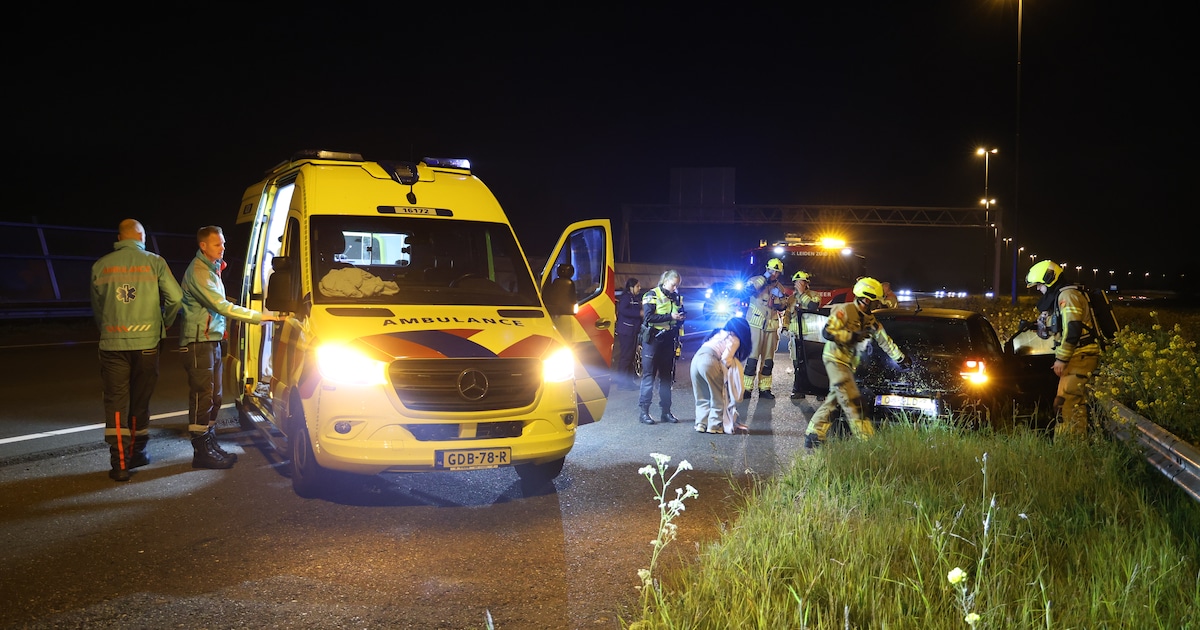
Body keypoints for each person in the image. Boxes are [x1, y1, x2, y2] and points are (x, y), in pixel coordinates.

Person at [179, 225, 283, 469]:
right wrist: (260, 316)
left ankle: (209, 444)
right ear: (203, 246)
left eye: (223, 243)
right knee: (203, 397)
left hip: (210, 339)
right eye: (217, 244)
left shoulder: (210, 269)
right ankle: (201, 452)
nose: (223, 248)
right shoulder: (199, 272)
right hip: (198, 341)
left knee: (214, 397)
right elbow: (222, 306)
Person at [90, 219, 183, 482]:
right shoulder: (155, 262)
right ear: (142, 238)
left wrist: (106, 329)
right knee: (140, 401)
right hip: (147, 345)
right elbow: (175, 299)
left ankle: (120, 464)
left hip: (112, 345)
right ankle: (137, 453)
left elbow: (97, 309)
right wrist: (163, 324)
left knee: (116, 403)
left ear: (119, 237)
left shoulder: (101, 265)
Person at [804, 277, 910, 447]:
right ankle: (868, 442)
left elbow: (885, 341)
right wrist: (852, 336)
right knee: (852, 399)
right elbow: (828, 332)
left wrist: (901, 359)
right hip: (835, 358)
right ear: (866, 299)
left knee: (835, 399)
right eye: (876, 301)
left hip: (848, 362)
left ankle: (814, 433)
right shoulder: (844, 310)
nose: (878, 305)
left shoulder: (871, 321)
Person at [1026, 260, 1100, 438]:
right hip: (1077, 356)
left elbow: (1073, 329)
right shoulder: (1061, 295)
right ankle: (1076, 444)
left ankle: (1069, 446)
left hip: (1080, 356)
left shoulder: (1068, 296)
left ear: (1049, 279)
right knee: (1073, 403)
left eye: (1039, 285)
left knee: (1065, 403)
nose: (1038, 289)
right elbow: (1061, 327)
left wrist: (1061, 359)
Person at [638, 270, 685, 425]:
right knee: (649, 377)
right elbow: (649, 317)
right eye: (673, 285)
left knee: (666, 378)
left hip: (668, 341)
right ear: (665, 281)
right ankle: (644, 413)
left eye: (677, 286)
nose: (675, 288)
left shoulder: (676, 297)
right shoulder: (651, 295)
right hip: (653, 340)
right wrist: (670, 317)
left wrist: (680, 318)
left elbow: (678, 317)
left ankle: (666, 412)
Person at [691, 316, 752, 434]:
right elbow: (725, 359)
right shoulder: (734, 339)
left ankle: (701, 423)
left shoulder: (718, 332)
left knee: (701, 394)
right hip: (710, 360)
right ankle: (715, 425)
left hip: (696, 359)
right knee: (717, 394)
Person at [742, 257, 788, 399]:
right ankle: (746, 389)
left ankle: (765, 389)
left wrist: (777, 302)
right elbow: (748, 291)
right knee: (752, 358)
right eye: (772, 271)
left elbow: (784, 304)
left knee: (768, 360)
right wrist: (765, 279)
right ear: (767, 269)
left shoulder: (779, 287)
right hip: (755, 324)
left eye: (777, 272)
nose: (774, 274)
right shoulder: (755, 280)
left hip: (771, 326)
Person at [780, 270, 822, 399]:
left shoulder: (815, 295)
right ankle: (799, 389)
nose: (799, 284)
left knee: (814, 362)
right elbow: (787, 314)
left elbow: (813, 307)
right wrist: (785, 327)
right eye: (797, 282)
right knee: (797, 363)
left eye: (801, 282)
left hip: (812, 335)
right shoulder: (791, 299)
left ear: (806, 283)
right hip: (796, 334)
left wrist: (803, 293)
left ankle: (819, 390)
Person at [613, 277, 642, 389]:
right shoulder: (626, 297)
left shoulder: (635, 297)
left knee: (631, 357)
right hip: (626, 331)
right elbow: (623, 310)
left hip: (633, 331)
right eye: (637, 286)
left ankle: (629, 382)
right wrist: (639, 313)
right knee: (626, 357)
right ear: (631, 287)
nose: (639, 288)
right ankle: (621, 383)